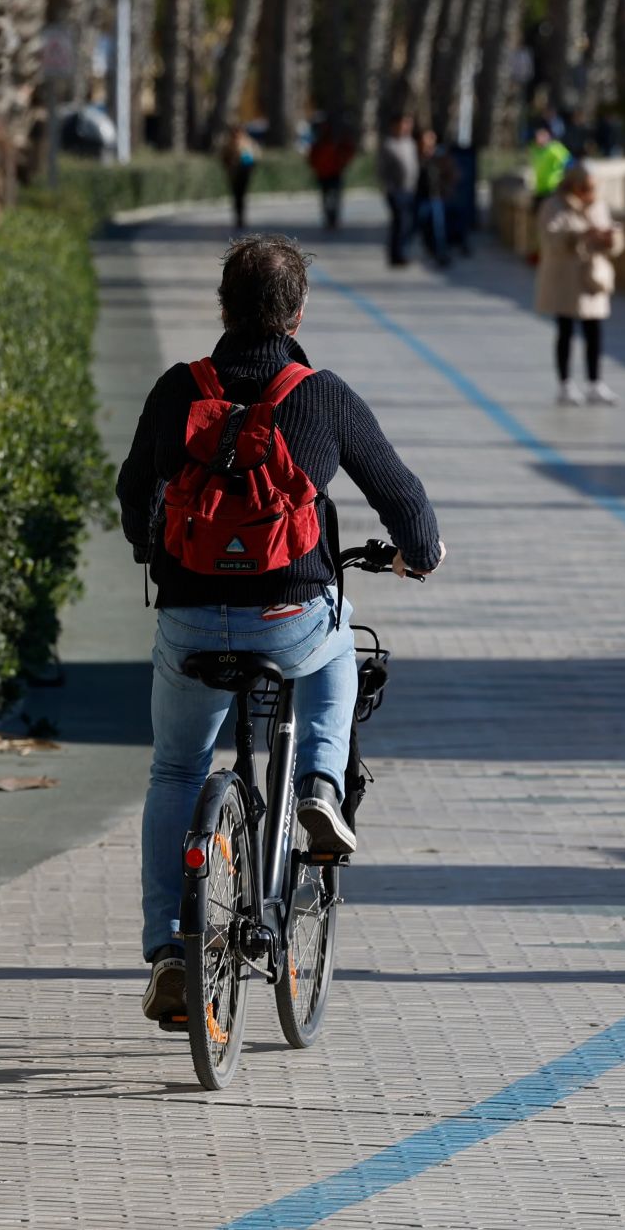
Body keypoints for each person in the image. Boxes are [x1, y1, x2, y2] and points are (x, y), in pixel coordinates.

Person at [116, 234, 445, 1025]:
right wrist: (420, 553)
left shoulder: (178, 388)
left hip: (190, 617)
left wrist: (156, 547)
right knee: (338, 641)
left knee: (175, 770)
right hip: (288, 618)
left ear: (223, 307)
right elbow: (405, 501)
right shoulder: (322, 394)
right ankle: (321, 788)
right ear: (297, 314)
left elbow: (132, 493)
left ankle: (169, 949)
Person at [535, 166, 625, 407]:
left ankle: (595, 382)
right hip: (565, 278)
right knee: (565, 330)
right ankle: (565, 383)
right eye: (584, 187)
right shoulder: (554, 205)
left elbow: (615, 242)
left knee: (594, 331)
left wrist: (610, 238)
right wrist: (581, 234)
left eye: (592, 187)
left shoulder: (599, 206)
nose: (589, 192)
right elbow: (550, 238)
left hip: (592, 277)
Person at [377, 114, 419, 267]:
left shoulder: (410, 143)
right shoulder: (388, 145)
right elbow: (381, 169)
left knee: (409, 223)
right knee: (400, 222)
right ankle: (397, 254)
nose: (405, 127)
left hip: (410, 189)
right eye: (402, 124)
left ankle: (403, 251)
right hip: (396, 190)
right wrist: (388, 188)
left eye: (408, 124)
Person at [415, 128, 455, 267]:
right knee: (423, 225)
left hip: (436, 196)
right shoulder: (417, 156)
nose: (428, 142)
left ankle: (441, 253)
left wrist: (446, 188)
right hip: (420, 196)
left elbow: (452, 174)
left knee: (438, 227)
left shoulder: (440, 156)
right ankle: (430, 250)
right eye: (425, 139)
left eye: (431, 138)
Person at [308, 121, 357, 230]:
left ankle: (333, 219)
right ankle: (329, 218)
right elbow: (312, 159)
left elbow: (348, 152)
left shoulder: (336, 143)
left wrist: (342, 163)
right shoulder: (319, 144)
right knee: (327, 198)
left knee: (334, 197)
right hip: (324, 174)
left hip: (335, 173)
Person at [220, 125, 260, 229]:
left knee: (241, 195)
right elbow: (224, 158)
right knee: (236, 195)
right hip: (233, 173)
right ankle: (238, 217)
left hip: (244, 172)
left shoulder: (247, 143)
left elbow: (255, 156)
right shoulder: (228, 144)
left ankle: (241, 217)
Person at [527, 124, 572, 211]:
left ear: (548, 136)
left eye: (543, 135)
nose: (540, 138)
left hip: (552, 188)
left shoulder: (555, 149)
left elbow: (569, 163)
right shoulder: (534, 149)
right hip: (539, 188)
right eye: (538, 135)